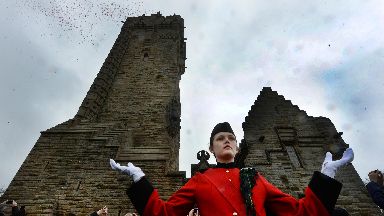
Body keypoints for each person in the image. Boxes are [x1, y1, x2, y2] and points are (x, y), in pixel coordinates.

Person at [110, 122, 354, 216]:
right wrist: (140, 180)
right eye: (220, 139)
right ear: (212, 149)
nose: (226, 141)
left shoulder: (255, 178)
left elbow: (302, 213)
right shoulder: (200, 180)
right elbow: (163, 214)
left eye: (230, 138)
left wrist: (325, 177)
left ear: (237, 148)